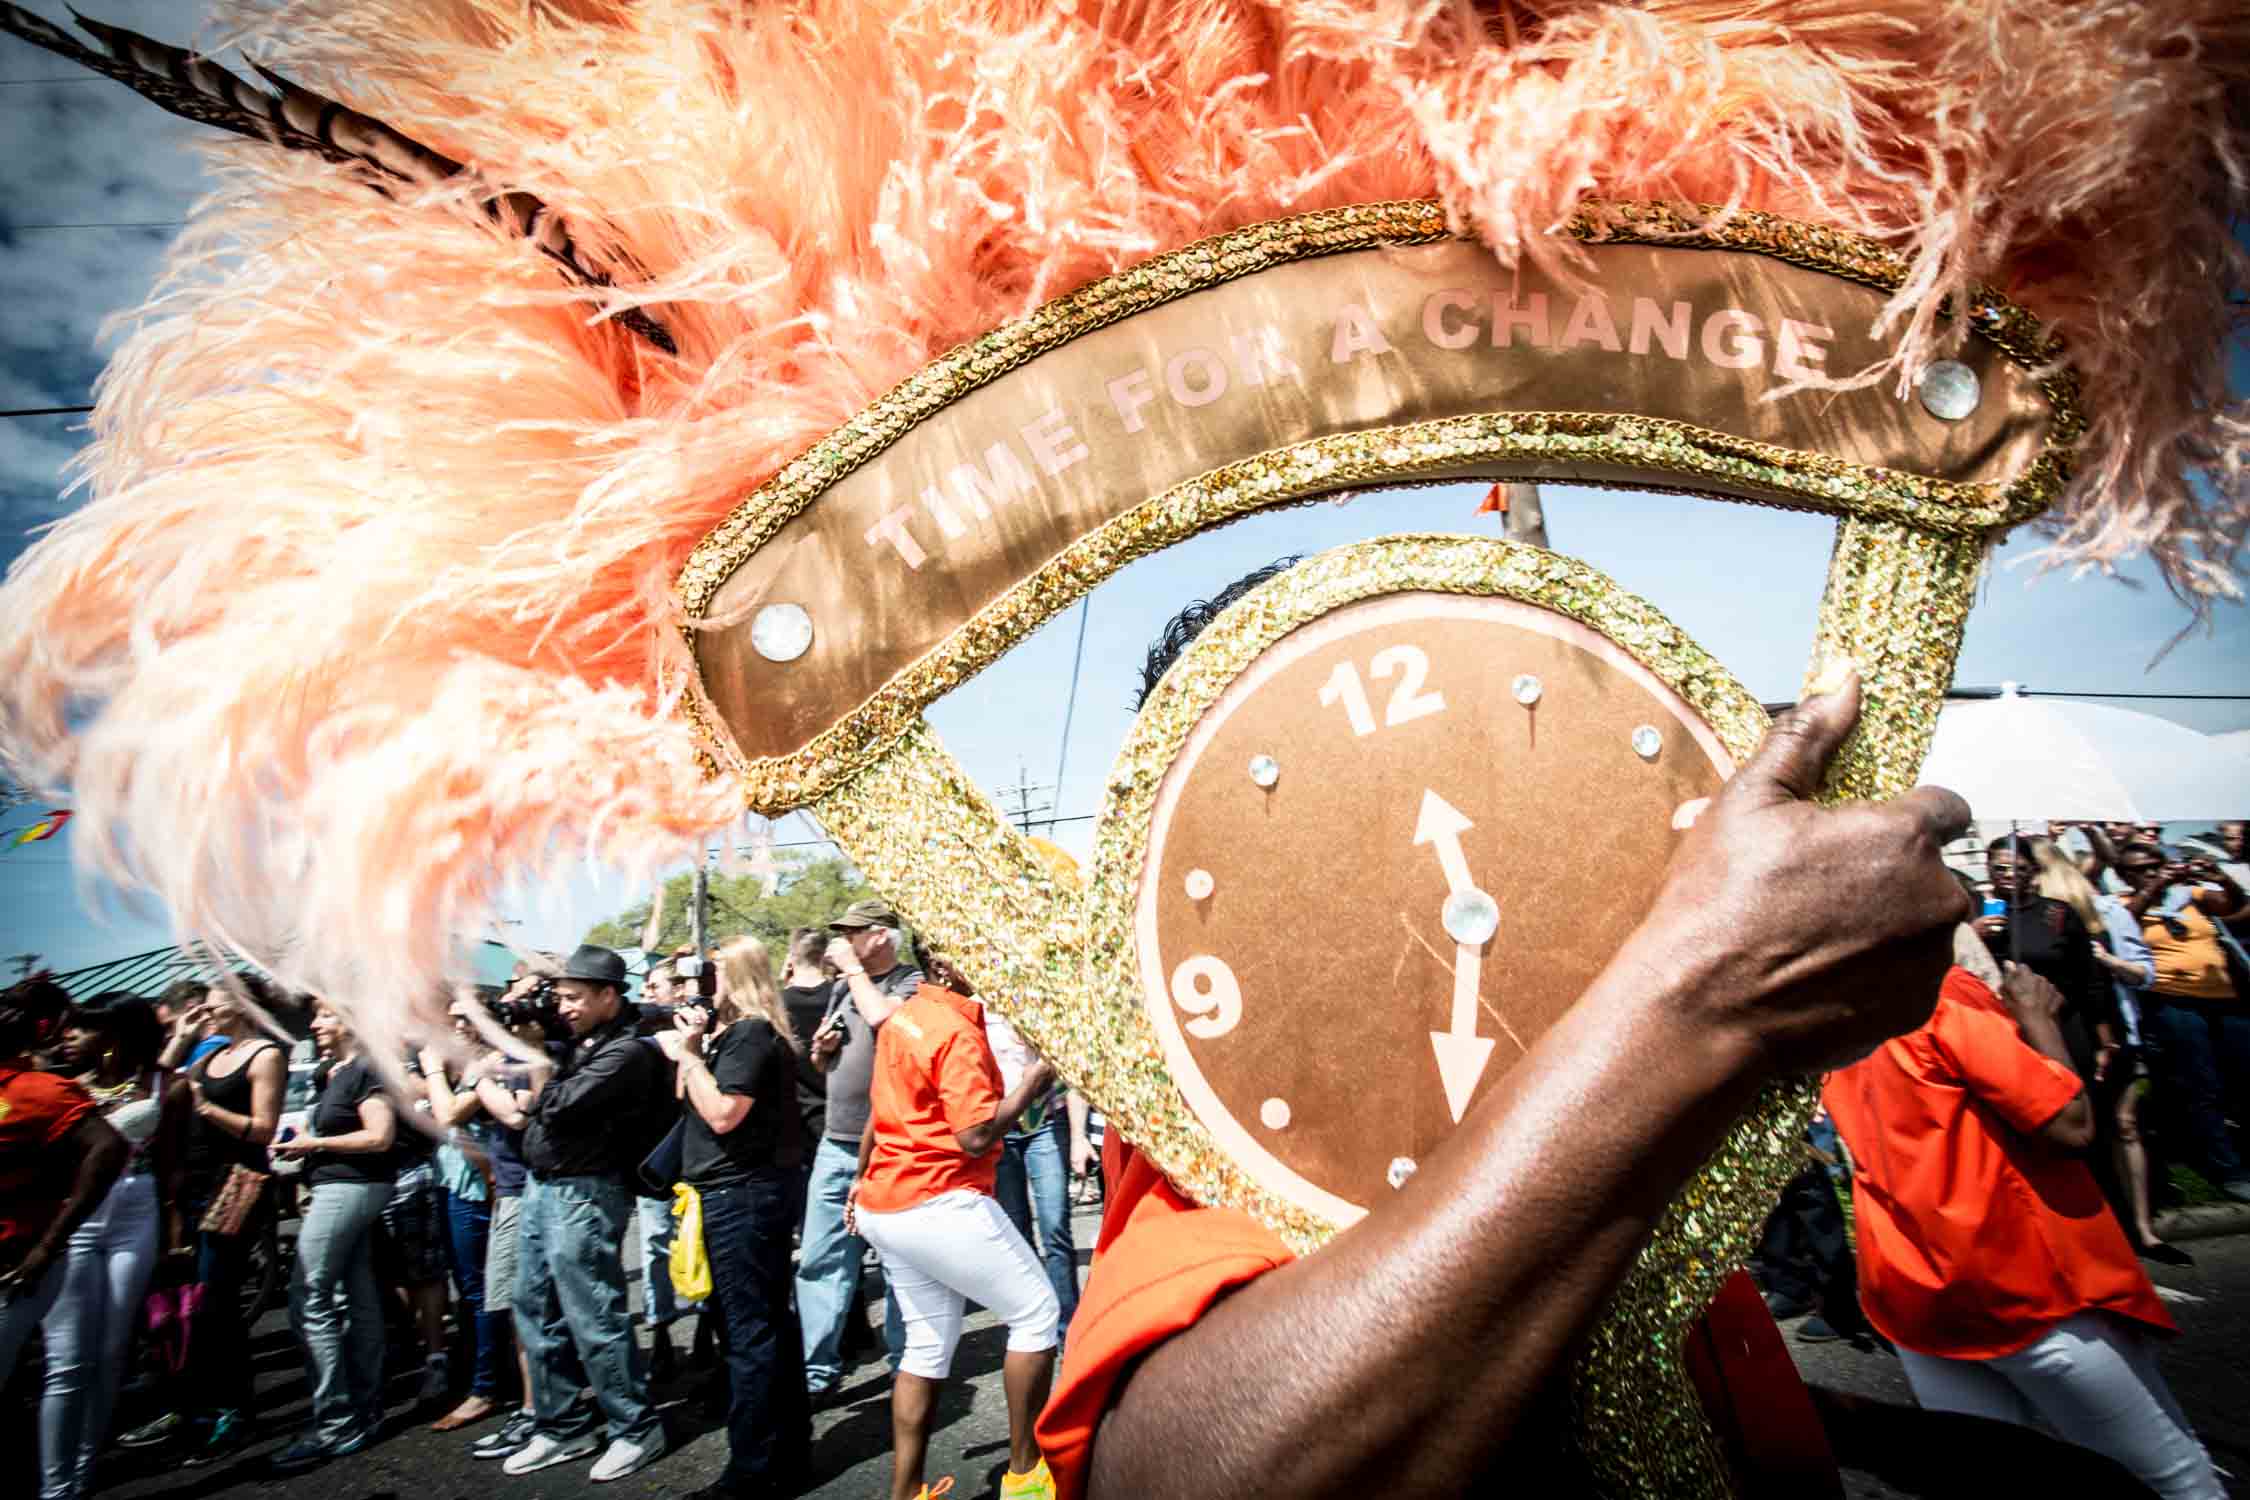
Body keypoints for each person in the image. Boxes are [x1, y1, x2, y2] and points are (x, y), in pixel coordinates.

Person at [1031, 666, 1974, 1498]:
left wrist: (1844, 1427)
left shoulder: (1612, 1010)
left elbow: (1616, 1355)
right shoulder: (1215, 1115)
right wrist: (1706, 993)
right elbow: (1183, 1472)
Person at [1824, 961, 2222, 1499]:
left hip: (1915, 1292)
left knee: (1996, 1481)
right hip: (2020, 1285)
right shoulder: (1934, 994)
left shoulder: (1824, 1014)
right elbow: (2070, 1123)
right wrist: (2040, 1020)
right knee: (2172, 1481)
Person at [850, 948, 1062, 1500]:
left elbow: (879, 1112)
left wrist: (858, 1181)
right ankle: (1025, 1476)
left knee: (924, 1348)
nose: (990, 957)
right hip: (937, 1198)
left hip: (887, 1202)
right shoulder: (955, 1030)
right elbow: (973, 1136)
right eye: (973, 950)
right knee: (1038, 1312)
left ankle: (906, 1492)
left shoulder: (904, 1015)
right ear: (942, 964)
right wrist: (1035, 1082)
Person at [504, 943, 670, 1482]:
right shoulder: (579, 1041)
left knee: (593, 1314)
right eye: (560, 997)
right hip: (542, 1185)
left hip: (586, 1193)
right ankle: (561, 1425)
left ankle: (635, 1427)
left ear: (608, 995)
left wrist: (533, 1061)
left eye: (575, 998)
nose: (564, 1007)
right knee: (534, 1306)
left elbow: (555, 1105)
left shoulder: (628, 1052)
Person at [657, 935, 811, 1500]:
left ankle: (752, 1472)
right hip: (731, 1193)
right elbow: (689, 1097)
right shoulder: (730, 1035)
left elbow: (723, 1114)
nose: (694, 983)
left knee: (749, 1334)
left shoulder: (749, 1033)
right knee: (766, 1326)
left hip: (742, 1195)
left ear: (738, 976)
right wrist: (692, 1048)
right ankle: (789, 1454)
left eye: (708, 973)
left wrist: (694, 1057)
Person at [120, 973, 286, 1464]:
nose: (207, 1012)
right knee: (181, 1303)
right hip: (192, 1187)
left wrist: (208, 1107)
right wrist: (181, 1039)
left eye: (214, 1006)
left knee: (216, 1303)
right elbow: (151, 1090)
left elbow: (262, 1129)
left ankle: (236, 1412)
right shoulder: (208, 1053)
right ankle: (190, 1406)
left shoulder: (266, 1055)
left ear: (241, 1005)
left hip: (237, 1184)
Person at [35, 992, 185, 1500]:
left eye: (81, 1028)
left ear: (113, 1033)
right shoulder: (61, 1087)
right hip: (74, 1221)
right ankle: (55, 1487)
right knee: (67, 1361)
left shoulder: (169, 1085)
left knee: (111, 1350)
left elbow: (171, 1170)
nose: (68, 1036)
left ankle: (84, 1472)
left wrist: (172, 1236)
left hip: (136, 1215)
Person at [2032, 836, 2185, 1262]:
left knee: (2124, 1125)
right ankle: (2102, 1227)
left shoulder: (2109, 911)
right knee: (2087, 1131)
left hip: (2108, 1026)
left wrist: (2107, 962)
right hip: (2063, 1030)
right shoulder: (2027, 923)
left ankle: (2141, 1227)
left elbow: (2144, 974)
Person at [0, 980, 130, 1470]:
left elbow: (109, 1148)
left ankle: (64, 1481)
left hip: (21, 1262)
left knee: (69, 1364)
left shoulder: (39, 1091)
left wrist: (47, 1244)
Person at [266, 1001, 401, 1472]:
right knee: (358, 1298)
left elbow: (379, 1136)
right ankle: (363, 1414)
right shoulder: (333, 1071)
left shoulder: (366, 1068)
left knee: (310, 1297)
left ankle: (337, 1424)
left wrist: (313, 1144)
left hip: (350, 1188)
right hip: (341, 1187)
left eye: (326, 1015)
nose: (316, 1023)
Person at [796, 900, 922, 1401]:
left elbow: (885, 1023)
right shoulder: (841, 988)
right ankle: (816, 1372)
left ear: (883, 935)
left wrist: (851, 972)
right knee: (822, 1258)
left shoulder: (911, 983)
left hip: (891, 1144)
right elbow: (828, 1062)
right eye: (841, 933)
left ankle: (906, 1369)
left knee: (897, 1264)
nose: (843, 941)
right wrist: (822, 1052)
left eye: (853, 932)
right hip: (837, 1140)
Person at [464, 977, 569, 1462]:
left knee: (525, 1306)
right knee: (519, 1305)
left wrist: (479, 1077)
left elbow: (518, 1117)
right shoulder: (498, 1061)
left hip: (526, 1190)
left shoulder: (545, 1055)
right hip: (508, 1189)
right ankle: (537, 1408)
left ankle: (538, 1412)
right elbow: (448, 1112)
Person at [2116, 839, 2250, 1203]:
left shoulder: (2191, 897)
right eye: (2139, 869)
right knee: (2202, 1086)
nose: (2148, 872)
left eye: (2154, 865)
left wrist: (2220, 877)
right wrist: (2155, 885)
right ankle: (2227, 1168)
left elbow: (2237, 907)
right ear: (2123, 875)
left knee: (2243, 1077)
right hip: (2174, 1004)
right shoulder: (2123, 905)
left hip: (2225, 1000)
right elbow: (2125, 926)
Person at [421, 997, 509, 1431]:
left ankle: (486, 1387)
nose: (452, 1026)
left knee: (481, 1291)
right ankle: (483, 1373)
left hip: (478, 1189)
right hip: (453, 1180)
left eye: (462, 1019)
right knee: (467, 1286)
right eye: (450, 1018)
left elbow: (449, 1114)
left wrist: (434, 1069)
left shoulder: (493, 1061)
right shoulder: (466, 1063)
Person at [983, 1004, 1084, 1349]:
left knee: (1055, 1226)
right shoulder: (972, 1009)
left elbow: (1070, 1073)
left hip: (1045, 1123)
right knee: (1016, 1232)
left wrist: (1079, 1138)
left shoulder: (1034, 1000)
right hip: (1001, 1127)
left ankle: (1069, 1329)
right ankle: (1034, 1327)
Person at [632, 961, 687, 1385]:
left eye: (656, 986)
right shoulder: (638, 1031)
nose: (648, 992)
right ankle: (662, 1330)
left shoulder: (698, 1027)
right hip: (652, 1159)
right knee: (654, 1247)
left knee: (698, 1245)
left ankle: (706, 1327)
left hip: (693, 1156)